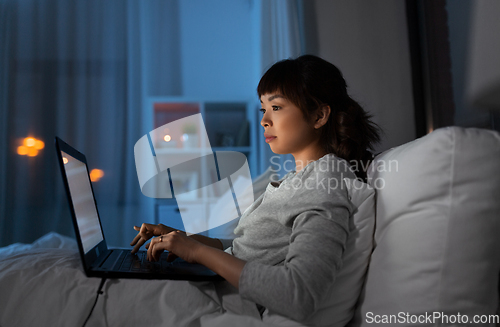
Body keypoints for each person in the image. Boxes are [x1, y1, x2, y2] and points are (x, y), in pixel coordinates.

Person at [130, 54, 381, 322]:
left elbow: (299, 294)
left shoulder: (323, 185)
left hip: (226, 305)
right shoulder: (303, 177)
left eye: (277, 107)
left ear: (319, 115)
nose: (264, 120)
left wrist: (197, 252)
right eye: (264, 109)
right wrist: (182, 239)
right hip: (216, 292)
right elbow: (248, 250)